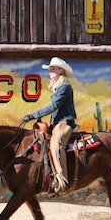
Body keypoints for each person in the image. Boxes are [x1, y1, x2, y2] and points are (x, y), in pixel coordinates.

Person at [23, 57, 77, 194]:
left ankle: (62, 180)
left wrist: (34, 115)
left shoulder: (65, 86)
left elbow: (54, 106)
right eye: (50, 69)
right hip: (56, 123)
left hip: (64, 123)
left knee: (56, 145)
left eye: (53, 69)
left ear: (61, 70)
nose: (50, 71)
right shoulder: (57, 87)